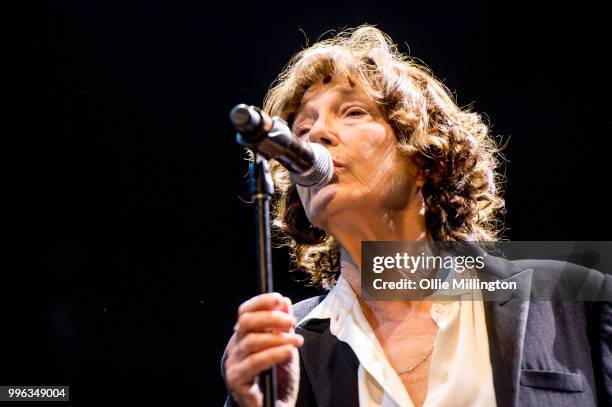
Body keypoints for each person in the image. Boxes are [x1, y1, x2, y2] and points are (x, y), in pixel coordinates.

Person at [221, 25, 611, 407]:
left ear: (425, 159)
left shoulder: (572, 299)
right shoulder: (286, 348)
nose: (316, 134)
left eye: (352, 112)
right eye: (303, 127)